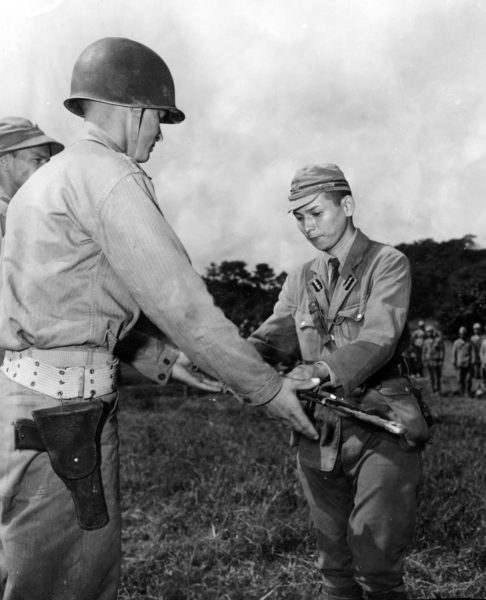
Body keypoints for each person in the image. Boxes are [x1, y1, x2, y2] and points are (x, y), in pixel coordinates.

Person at [0, 37, 318, 600]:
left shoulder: (42, 184)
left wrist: (168, 361)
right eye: (159, 119)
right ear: (134, 111)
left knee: (25, 571)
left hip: (24, 409)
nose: (159, 135)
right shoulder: (109, 178)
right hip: (67, 421)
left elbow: (72, 306)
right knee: (69, 584)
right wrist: (266, 390)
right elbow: (185, 306)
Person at [249, 163, 431, 600]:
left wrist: (319, 371)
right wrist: (222, 359)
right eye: (298, 218)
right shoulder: (299, 279)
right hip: (320, 432)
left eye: (316, 213)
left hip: (382, 425)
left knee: (376, 564)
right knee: (334, 565)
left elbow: (380, 338)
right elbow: (270, 340)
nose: (308, 227)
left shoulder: (388, 264)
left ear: (347, 206)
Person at [0, 116, 63, 243]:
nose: (46, 169)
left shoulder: (32, 211)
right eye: (37, 160)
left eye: (47, 162)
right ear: (4, 161)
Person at [421, 325, 445, 395]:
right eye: (428, 332)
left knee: (437, 376)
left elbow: (442, 351)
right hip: (429, 360)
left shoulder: (438, 340)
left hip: (436, 360)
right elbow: (423, 351)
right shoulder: (425, 341)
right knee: (431, 376)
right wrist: (423, 360)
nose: (429, 333)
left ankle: (438, 390)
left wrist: (441, 360)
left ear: (433, 332)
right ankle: (432, 389)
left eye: (430, 332)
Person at [452, 326, 474, 397]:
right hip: (459, 363)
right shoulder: (456, 342)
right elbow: (454, 353)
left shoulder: (469, 342)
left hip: (468, 363)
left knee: (468, 379)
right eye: (461, 334)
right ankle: (461, 392)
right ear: (459, 334)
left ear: (466, 334)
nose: (462, 335)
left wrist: (472, 361)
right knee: (460, 379)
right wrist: (454, 361)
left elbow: (473, 353)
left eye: (464, 334)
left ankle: (468, 393)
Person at [470, 322, 483, 391]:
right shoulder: (471, 338)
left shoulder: (483, 338)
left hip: (482, 358)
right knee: (475, 374)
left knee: (482, 373)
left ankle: (481, 388)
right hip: (474, 358)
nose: (477, 331)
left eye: (478, 329)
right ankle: (476, 388)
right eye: (475, 329)